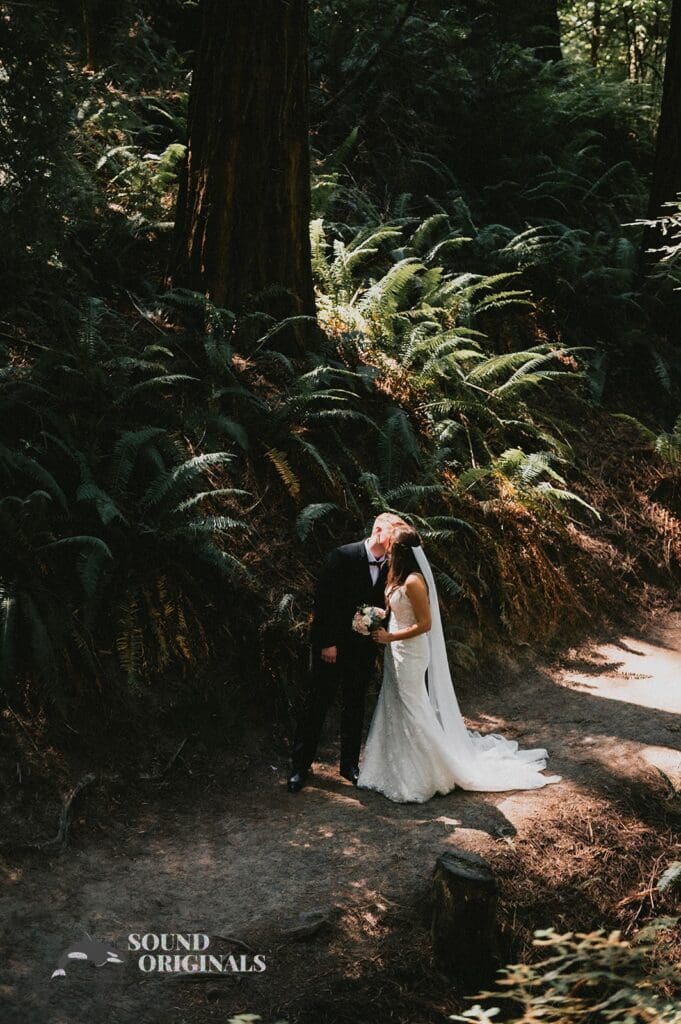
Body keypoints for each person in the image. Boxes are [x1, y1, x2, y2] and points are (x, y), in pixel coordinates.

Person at [357, 526, 562, 803]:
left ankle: (429, 772)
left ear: (402, 552)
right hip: (395, 651)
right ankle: (393, 768)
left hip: (410, 651)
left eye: (392, 547)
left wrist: (391, 635)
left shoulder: (415, 582)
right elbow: (400, 611)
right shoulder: (399, 577)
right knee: (394, 704)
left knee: (412, 707)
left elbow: (425, 624)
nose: (389, 550)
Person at [287, 513, 408, 793]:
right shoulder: (342, 556)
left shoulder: (392, 566)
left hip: (363, 650)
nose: (396, 544)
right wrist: (326, 643)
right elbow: (323, 602)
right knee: (316, 706)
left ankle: (349, 765)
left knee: (355, 707)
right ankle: (300, 767)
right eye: (394, 536)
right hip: (332, 647)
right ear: (378, 530)